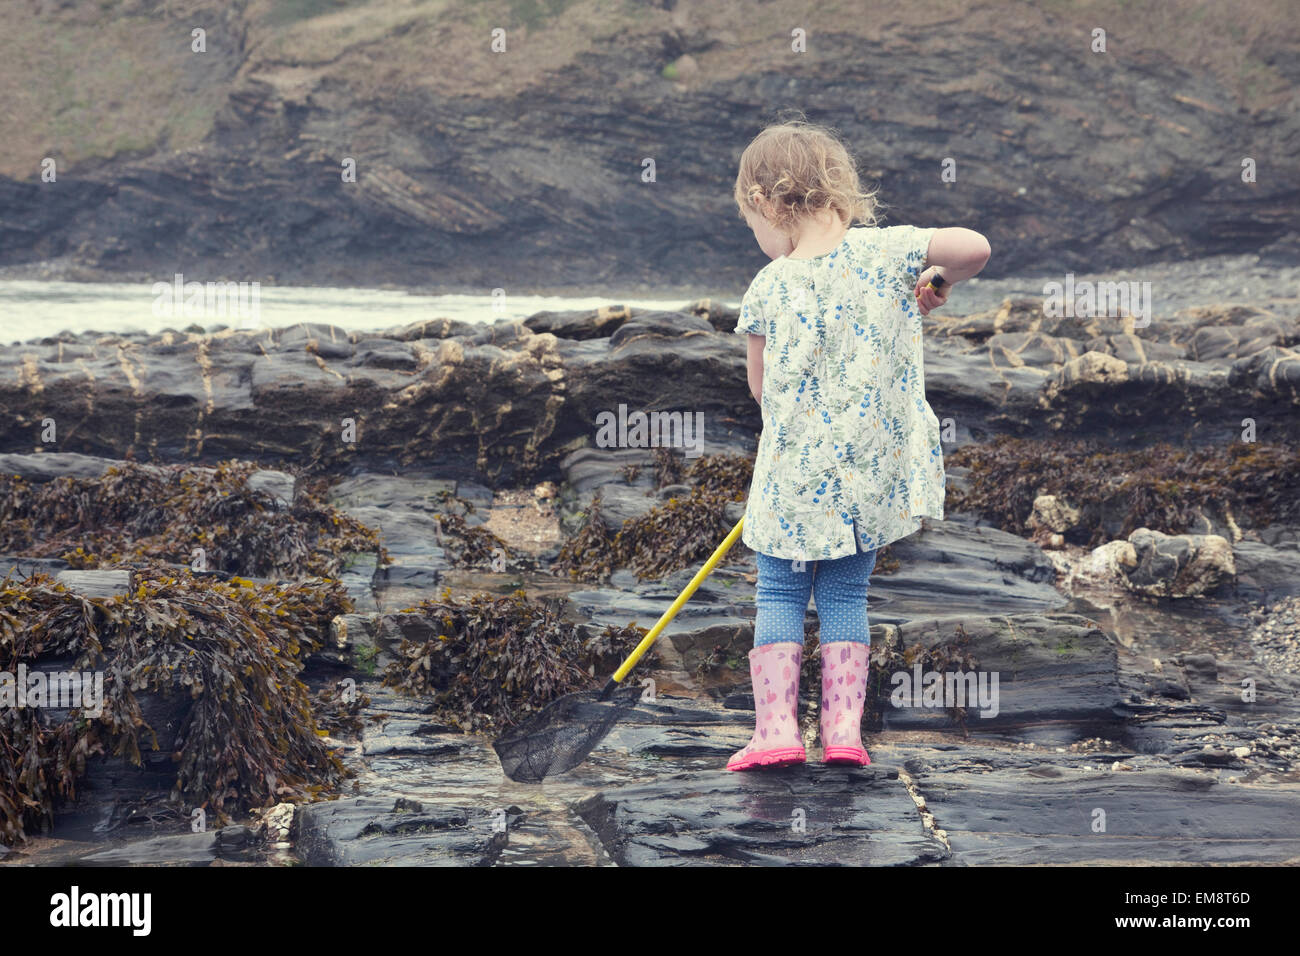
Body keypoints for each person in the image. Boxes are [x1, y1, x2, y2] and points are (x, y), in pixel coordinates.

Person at [727, 119, 990, 770]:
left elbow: (759, 391)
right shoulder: (886, 253)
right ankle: (844, 736)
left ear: (766, 203)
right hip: (863, 483)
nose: (760, 241)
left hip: (789, 484)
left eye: (753, 225)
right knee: (846, 598)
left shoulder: (767, 286)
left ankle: (777, 735)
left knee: (779, 596)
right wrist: (934, 285)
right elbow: (973, 248)